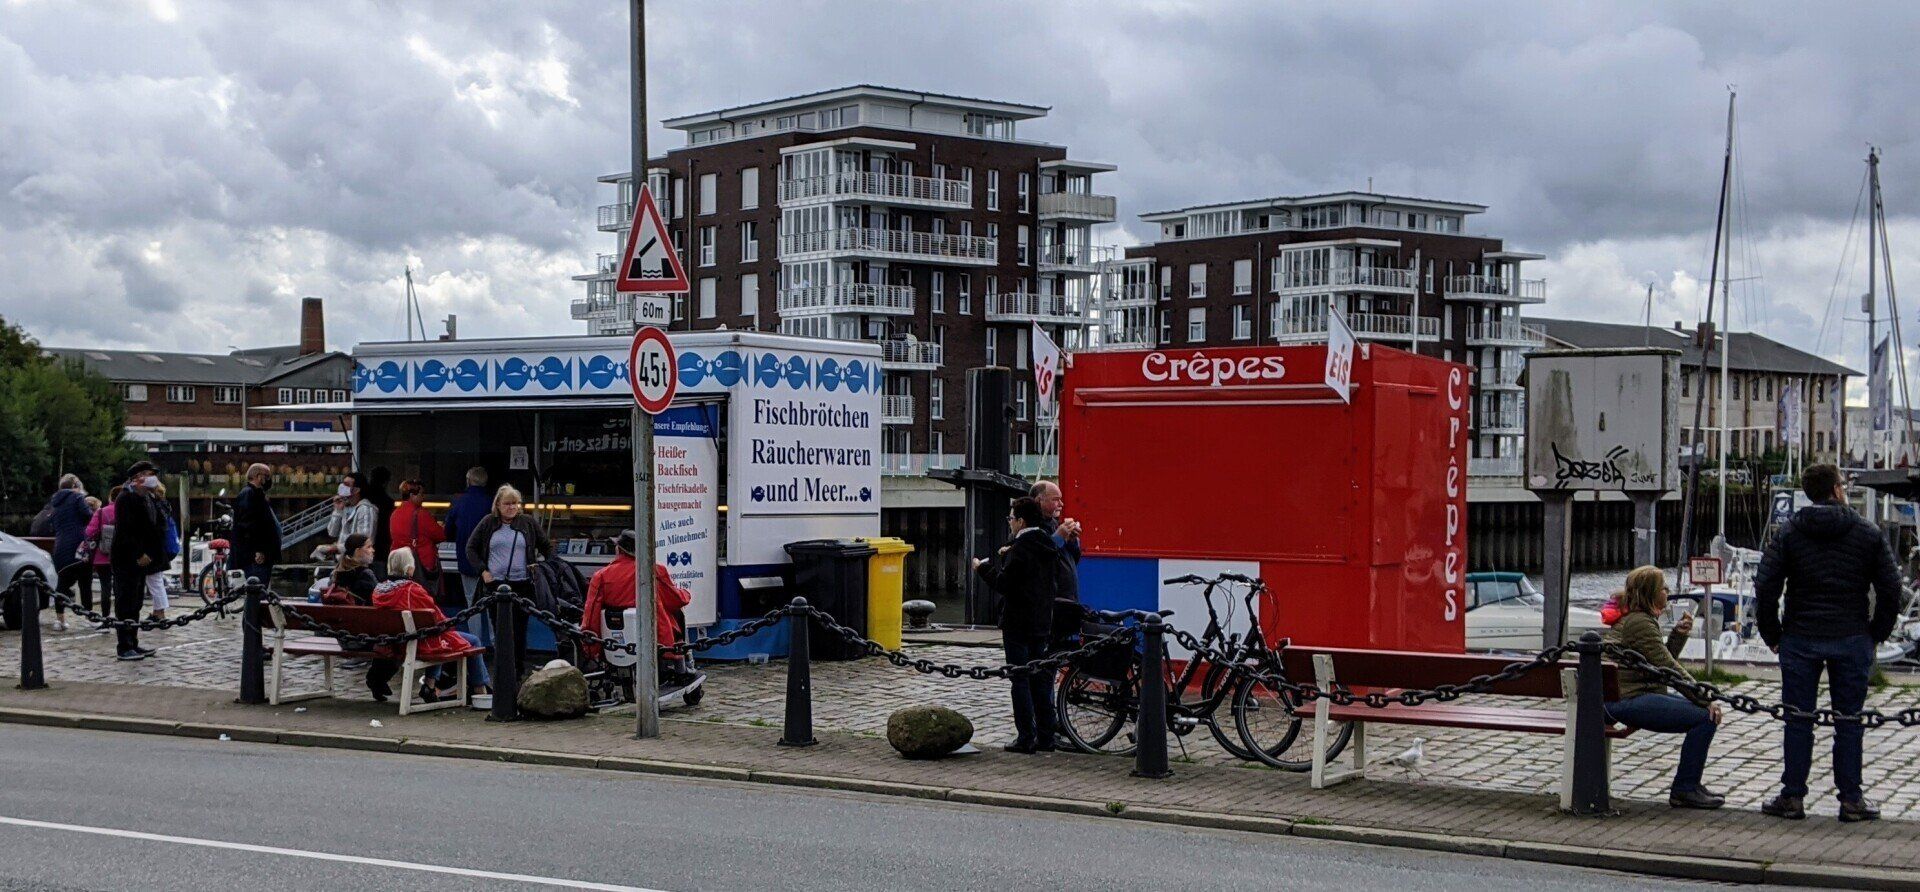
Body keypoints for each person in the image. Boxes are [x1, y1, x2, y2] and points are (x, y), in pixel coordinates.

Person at [1754, 463, 1903, 823]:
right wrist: (1876, 632)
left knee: (1797, 719)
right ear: (1837, 490)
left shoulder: (1790, 532)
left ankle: (1792, 796)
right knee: (1849, 720)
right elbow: (1891, 587)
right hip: (1852, 636)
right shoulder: (1867, 533)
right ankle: (1851, 799)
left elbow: (1766, 586)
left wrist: (1773, 634)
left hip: (1801, 637)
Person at [1599, 565, 1724, 809]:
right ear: (1651, 594)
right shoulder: (1640, 623)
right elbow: (1667, 667)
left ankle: (1690, 785)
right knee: (1704, 717)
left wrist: (1677, 635)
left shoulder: (1635, 619)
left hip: (1622, 696)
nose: (1667, 591)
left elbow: (1656, 662)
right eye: (1663, 588)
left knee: (1702, 713)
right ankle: (1685, 788)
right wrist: (1703, 698)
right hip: (1626, 700)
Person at [973, 497, 1060, 754]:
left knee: (1019, 678)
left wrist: (983, 568)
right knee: (1041, 678)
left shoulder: (1020, 549)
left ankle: (1025, 737)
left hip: (1018, 623)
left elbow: (1006, 585)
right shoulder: (1047, 545)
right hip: (1042, 620)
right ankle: (1047, 736)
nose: (1010, 523)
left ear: (1021, 521)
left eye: (1011, 519)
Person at [373, 548, 489, 702]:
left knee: (435, 635)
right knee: (472, 641)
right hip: (420, 643)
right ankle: (479, 689)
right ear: (409, 568)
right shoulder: (413, 590)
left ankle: (431, 686)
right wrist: (450, 626)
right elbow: (437, 619)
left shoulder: (379, 591)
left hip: (394, 642)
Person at [582, 531, 692, 663]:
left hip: (612, 637)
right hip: (656, 637)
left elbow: (591, 613)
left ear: (619, 549)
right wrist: (686, 594)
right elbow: (675, 600)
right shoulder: (654, 570)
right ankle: (681, 668)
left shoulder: (601, 576)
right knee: (678, 615)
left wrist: (591, 647)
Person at [109, 463, 165, 661]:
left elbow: (152, 527)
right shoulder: (126, 497)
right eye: (149, 475)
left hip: (143, 559)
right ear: (138, 477)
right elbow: (126, 530)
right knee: (125, 602)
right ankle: (124, 646)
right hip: (127, 558)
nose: (152, 479)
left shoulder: (147, 497)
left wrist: (151, 552)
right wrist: (139, 553)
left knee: (136, 603)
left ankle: (133, 642)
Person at [1028, 480, 1083, 655]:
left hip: (1064, 603)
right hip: (1047, 607)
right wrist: (1059, 537)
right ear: (1039, 501)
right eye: (1055, 499)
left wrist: (1072, 540)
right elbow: (1039, 558)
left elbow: (1073, 559)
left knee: (1055, 656)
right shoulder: (1030, 528)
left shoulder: (1054, 524)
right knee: (1041, 659)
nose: (1061, 504)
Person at [443, 467, 493, 644]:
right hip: (490, 563)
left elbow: (448, 530)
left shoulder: (459, 502)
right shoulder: (491, 502)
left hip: (466, 561)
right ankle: (496, 645)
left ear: (468, 480)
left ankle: (476, 644)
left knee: (473, 605)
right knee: (493, 603)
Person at [44, 474, 94, 633]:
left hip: (60, 547)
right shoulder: (77, 497)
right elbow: (88, 516)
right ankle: (89, 618)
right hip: (78, 546)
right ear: (75, 485)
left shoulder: (54, 502)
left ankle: (60, 620)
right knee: (85, 582)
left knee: (62, 584)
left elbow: (51, 525)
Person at [230, 463, 282, 588]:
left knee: (259, 590)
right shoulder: (249, 494)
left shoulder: (257, 494)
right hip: (256, 557)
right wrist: (258, 550)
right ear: (259, 477)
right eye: (267, 476)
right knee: (256, 592)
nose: (269, 480)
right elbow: (249, 526)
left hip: (262, 555)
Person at [390, 480, 446, 585]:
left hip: (400, 563)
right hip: (421, 564)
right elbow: (440, 535)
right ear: (412, 495)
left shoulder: (395, 514)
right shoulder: (421, 514)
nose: (423, 497)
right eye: (421, 494)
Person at [83, 487, 120, 630]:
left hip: (102, 554)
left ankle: (105, 618)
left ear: (111, 497)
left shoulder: (102, 511)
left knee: (105, 587)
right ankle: (120, 618)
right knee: (120, 587)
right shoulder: (127, 512)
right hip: (122, 555)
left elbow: (90, 532)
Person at [324, 471, 377, 560]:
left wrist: (337, 548)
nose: (342, 487)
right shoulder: (345, 507)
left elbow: (363, 542)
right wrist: (337, 511)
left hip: (357, 563)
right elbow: (332, 532)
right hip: (344, 561)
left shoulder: (365, 509)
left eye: (346, 485)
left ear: (356, 489)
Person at [147, 482, 179, 623]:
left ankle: (160, 613)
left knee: (155, 582)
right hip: (162, 549)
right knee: (156, 581)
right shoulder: (165, 505)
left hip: (156, 549)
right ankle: (157, 611)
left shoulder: (156, 507)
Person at [323, 533, 379, 605]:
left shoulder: (335, 573)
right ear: (358, 551)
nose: (373, 550)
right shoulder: (366, 574)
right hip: (363, 614)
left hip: (341, 614)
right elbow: (377, 598)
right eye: (369, 547)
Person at [365, 466, 396, 562]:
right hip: (382, 547)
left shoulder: (363, 498)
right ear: (385, 482)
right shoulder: (387, 502)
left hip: (364, 549)